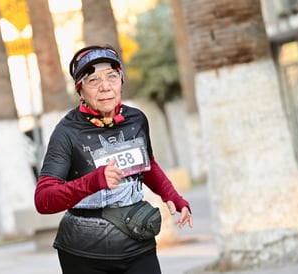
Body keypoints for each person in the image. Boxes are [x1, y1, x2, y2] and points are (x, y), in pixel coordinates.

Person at [34, 44, 193, 274]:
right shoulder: (66, 132)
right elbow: (43, 199)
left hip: (137, 242)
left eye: (112, 76)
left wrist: (171, 195)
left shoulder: (136, 120)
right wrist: (93, 181)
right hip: (84, 252)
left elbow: (146, 164)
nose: (105, 87)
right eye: (93, 80)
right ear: (80, 90)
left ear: (121, 80)